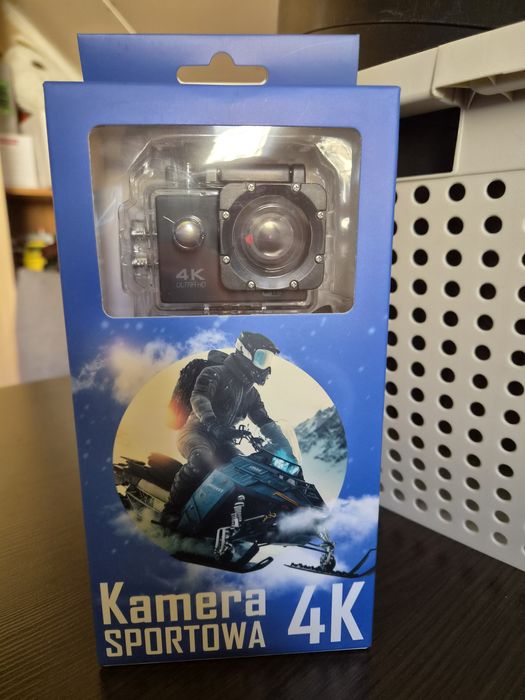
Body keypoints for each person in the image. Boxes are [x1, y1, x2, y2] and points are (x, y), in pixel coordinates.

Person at [160, 331, 286, 530]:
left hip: (224, 440)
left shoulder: (252, 394)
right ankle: (170, 512)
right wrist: (213, 424)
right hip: (196, 431)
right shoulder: (214, 373)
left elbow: (264, 419)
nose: (266, 366)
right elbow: (199, 398)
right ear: (245, 353)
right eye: (262, 358)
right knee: (201, 459)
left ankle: (227, 520)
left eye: (268, 360)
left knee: (244, 470)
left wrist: (283, 444)